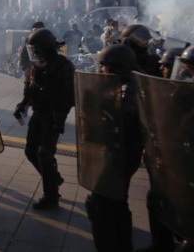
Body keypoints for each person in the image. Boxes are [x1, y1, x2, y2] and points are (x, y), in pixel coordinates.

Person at [85, 45, 143, 251]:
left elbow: (115, 124)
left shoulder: (127, 94)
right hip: (123, 155)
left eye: (104, 66)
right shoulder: (128, 86)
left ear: (115, 67)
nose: (101, 70)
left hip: (119, 157)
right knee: (118, 202)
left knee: (99, 205)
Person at [18, 28, 75, 210]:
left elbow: (69, 98)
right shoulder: (36, 66)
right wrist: (23, 104)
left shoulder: (63, 66)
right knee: (30, 151)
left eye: (36, 50)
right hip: (38, 113)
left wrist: (59, 121)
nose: (34, 54)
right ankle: (53, 177)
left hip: (52, 116)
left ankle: (51, 197)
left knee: (44, 154)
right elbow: (30, 87)